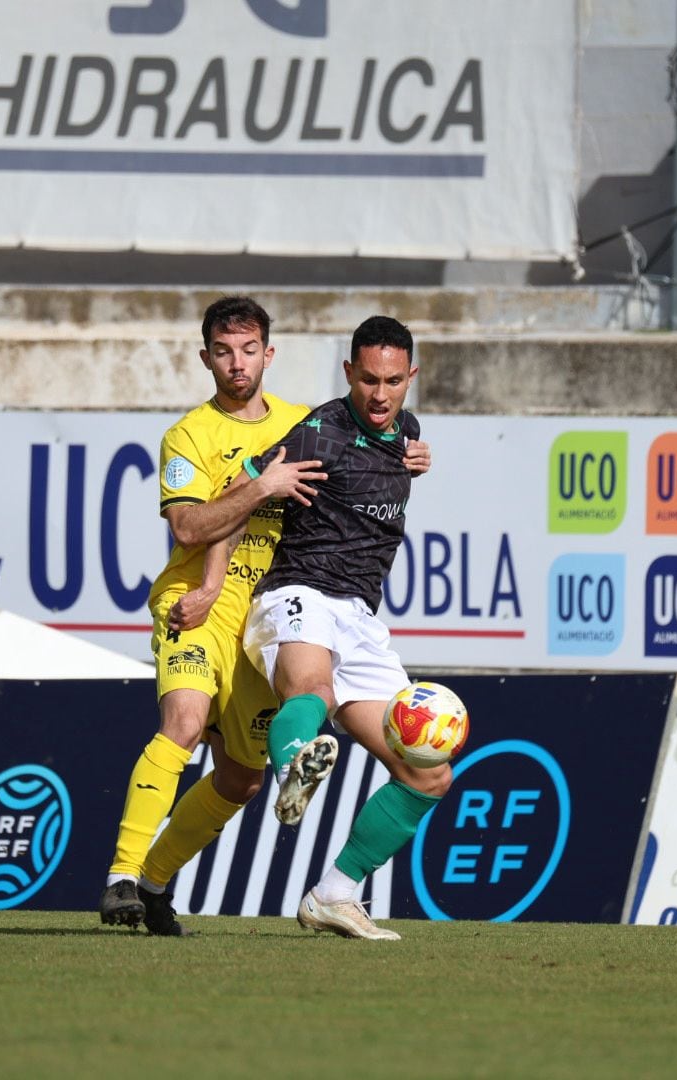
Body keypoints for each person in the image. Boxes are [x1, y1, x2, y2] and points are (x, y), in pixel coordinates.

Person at [98, 297, 430, 936]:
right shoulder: (189, 436)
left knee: (241, 779)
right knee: (186, 722)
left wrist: (412, 451)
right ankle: (120, 875)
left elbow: (379, 433)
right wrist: (248, 509)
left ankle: (154, 883)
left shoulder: (303, 420)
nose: (237, 364)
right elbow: (195, 523)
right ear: (206, 358)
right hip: (200, 605)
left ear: (268, 355)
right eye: (223, 352)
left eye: (248, 350)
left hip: (266, 606)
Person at [238, 314, 451, 942]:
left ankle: (335, 894)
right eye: (366, 380)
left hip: (360, 617)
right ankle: (293, 765)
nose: (379, 396)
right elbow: (237, 491)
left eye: (392, 381)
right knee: (314, 693)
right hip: (298, 591)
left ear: (410, 376)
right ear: (348, 373)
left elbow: (394, 452)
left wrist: (416, 459)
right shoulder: (318, 433)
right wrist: (208, 582)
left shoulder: (404, 429)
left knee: (428, 769)